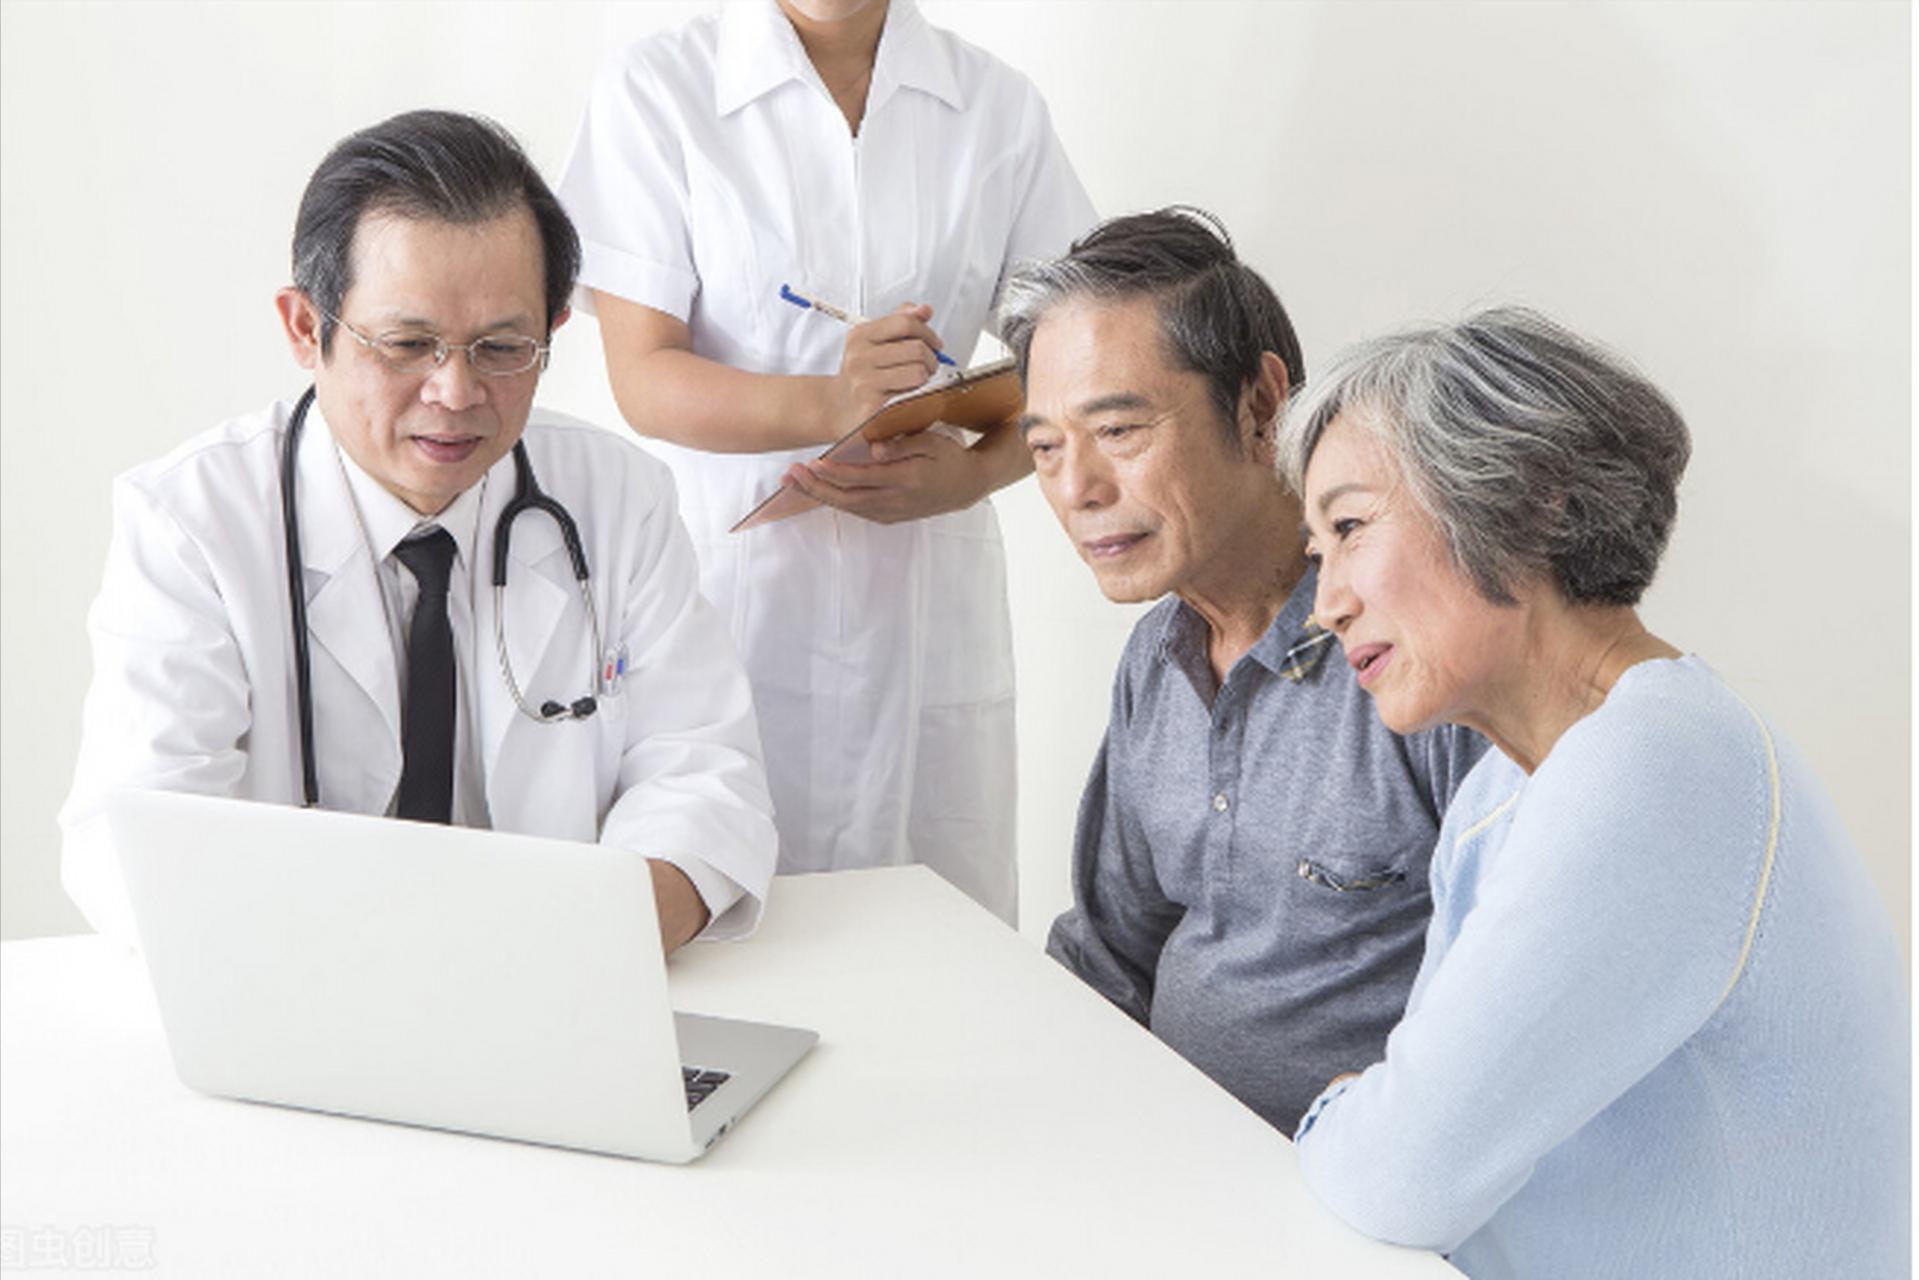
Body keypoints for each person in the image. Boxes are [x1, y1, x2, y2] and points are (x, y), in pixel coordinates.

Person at [1282, 308, 1909, 1277]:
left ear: (1528, 503)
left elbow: (1400, 1174)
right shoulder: (1507, 788)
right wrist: (1379, 1116)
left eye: (1351, 526)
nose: (1326, 604)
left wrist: (1339, 1107)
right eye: (1319, 553)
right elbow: (1424, 1143)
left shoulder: (1659, 764)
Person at [60, 111, 777, 955]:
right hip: (299, 987)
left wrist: (574, 943)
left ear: (552, 334)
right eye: (407, 344)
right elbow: (138, 838)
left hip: (560, 975)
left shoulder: (620, 499)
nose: (456, 392)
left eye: (502, 347)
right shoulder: (193, 524)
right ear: (305, 328)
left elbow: (704, 777)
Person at [557, 0, 1096, 923]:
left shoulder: (996, 108)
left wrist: (971, 475)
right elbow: (645, 378)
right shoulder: (659, 89)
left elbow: (1079, 357)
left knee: (936, 944)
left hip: (924, 599)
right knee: (729, 925)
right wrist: (833, 402)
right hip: (733, 596)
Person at [996, 208, 1487, 1134]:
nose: (1077, 490)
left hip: (1352, 1190)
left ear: (1261, 407)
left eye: (1118, 429)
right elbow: (1108, 962)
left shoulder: (1421, 656)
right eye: (1046, 447)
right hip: (1161, 1159)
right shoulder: (1158, 657)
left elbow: (1514, 1022)